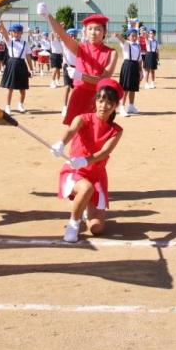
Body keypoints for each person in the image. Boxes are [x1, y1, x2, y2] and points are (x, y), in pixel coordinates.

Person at [50, 78, 124, 243]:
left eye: (109, 102)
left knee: (97, 228)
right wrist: (61, 143)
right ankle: (73, 224)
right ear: (96, 100)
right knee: (86, 188)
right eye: (100, 100)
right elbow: (71, 131)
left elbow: (104, 152)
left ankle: (83, 207)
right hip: (75, 171)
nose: (104, 105)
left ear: (115, 106)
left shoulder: (116, 130)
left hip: (96, 175)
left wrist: (86, 160)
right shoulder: (83, 118)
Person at [39, 3, 118, 125]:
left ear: (104, 32)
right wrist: (48, 15)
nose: (93, 32)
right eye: (90, 29)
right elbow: (62, 34)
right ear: (85, 32)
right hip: (79, 95)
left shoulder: (112, 53)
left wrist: (80, 76)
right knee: (74, 129)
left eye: (98, 29)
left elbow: (103, 80)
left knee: (95, 130)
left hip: (99, 98)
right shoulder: (79, 48)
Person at [0, 22, 33, 114]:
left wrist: (31, 69)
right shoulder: (10, 41)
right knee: (10, 87)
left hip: (22, 65)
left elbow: (28, 57)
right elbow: (5, 33)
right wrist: (2, 25)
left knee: (23, 88)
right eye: (14, 32)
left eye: (18, 32)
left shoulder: (25, 43)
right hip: (12, 64)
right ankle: (7, 106)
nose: (16, 34)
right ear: (12, 33)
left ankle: (20, 105)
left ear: (21, 33)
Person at [115, 29, 143, 116]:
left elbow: (140, 59)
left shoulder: (138, 45)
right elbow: (122, 40)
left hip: (135, 66)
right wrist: (118, 35)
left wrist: (141, 70)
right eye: (132, 35)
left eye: (136, 35)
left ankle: (131, 106)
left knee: (133, 87)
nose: (134, 37)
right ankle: (122, 107)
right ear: (128, 37)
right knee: (126, 87)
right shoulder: (126, 44)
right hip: (128, 65)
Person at [61, 27, 79, 117]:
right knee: (67, 87)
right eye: (71, 35)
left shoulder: (78, 45)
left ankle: (73, 107)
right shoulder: (64, 44)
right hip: (67, 66)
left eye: (74, 35)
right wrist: (61, 29)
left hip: (77, 67)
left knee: (76, 89)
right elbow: (56, 36)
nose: (73, 37)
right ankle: (65, 107)